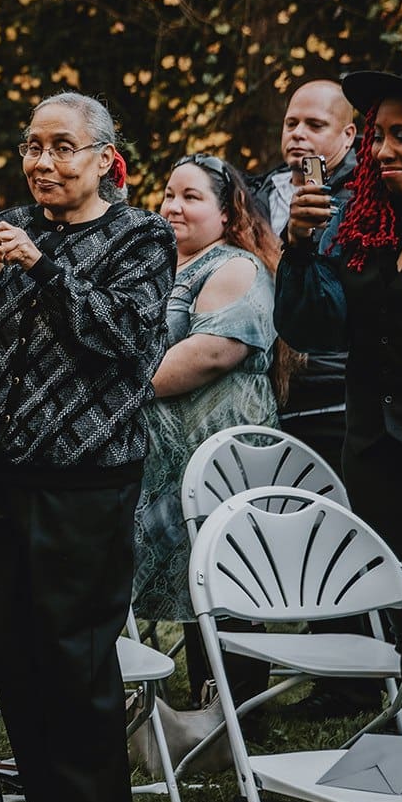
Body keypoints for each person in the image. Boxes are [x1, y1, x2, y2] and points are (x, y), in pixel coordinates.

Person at [0, 91, 174, 802]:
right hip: (1, 479)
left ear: (105, 158)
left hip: (87, 487)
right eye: (33, 145)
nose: (41, 160)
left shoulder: (141, 236)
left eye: (61, 146)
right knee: (18, 667)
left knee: (77, 673)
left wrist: (40, 267)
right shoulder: (11, 235)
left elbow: (121, 336)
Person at [276, 53, 402, 736]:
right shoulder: (370, 224)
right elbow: (313, 324)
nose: (384, 149)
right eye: (378, 135)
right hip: (378, 452)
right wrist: (301, 245)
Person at [131, 154, 281, 705]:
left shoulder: (235, 266)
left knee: (224, 572)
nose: (172, 206)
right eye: (168, 194)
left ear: (226, 212)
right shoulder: (163, 267)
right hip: (174, 458)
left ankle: (234, 710)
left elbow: (212, 353)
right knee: (194, 572)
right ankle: (205, 702)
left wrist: (117, 391)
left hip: (222, 452)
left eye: (190, 197)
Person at [249, 79, 357, 238]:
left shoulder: (365, 197)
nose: (297, 133)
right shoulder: (254, 192)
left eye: (315, 125)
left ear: (347, 136)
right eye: (291, 124)